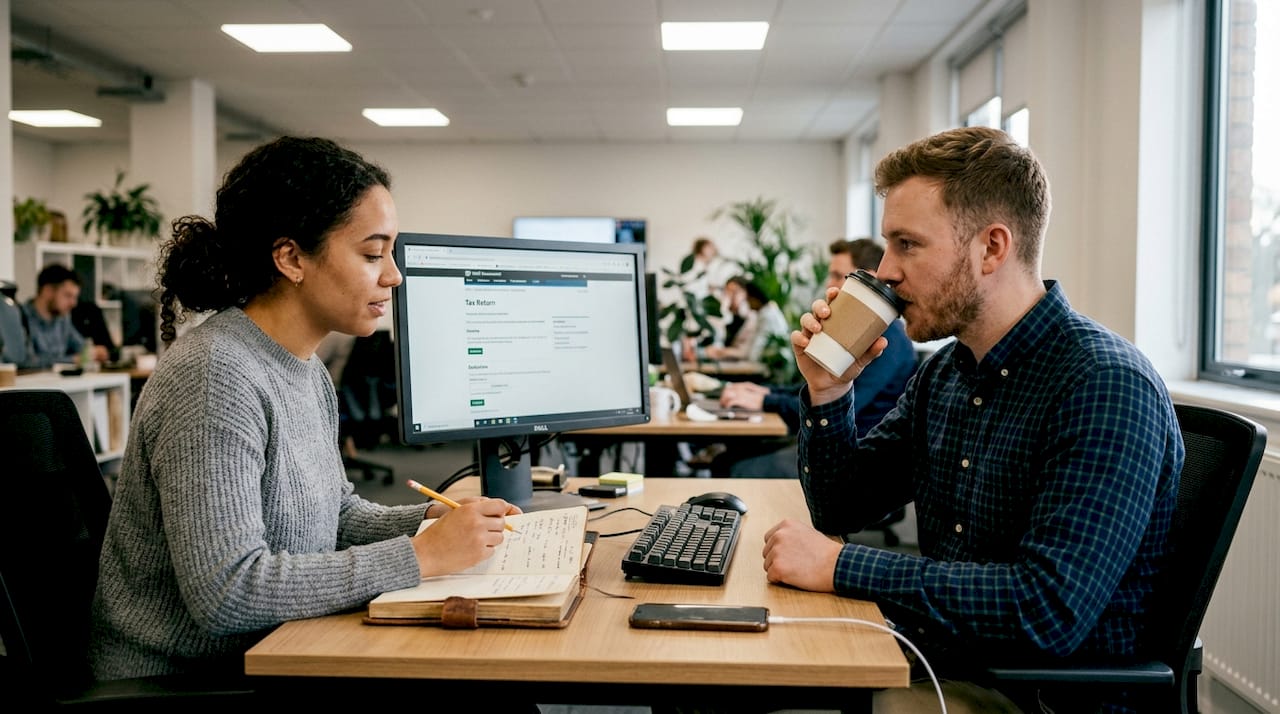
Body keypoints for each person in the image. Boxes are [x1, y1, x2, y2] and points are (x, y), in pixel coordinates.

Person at [763, 127, 1182, 713]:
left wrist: (841, 565)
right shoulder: (948, 374)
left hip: (1033, 695)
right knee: (708, 681)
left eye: (907, 245)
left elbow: (1046, 610)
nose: (884, 272)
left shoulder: (1103, 384)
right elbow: (841, 507)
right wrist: (829, 389)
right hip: (947, 656)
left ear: (991, 248)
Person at [89, 136, 522, 682]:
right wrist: (422, 557)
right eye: (372, 253)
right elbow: (227, 593)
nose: (394, 276)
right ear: (291, 257)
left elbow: (334, 515)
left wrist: (429, 520)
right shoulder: (213, 375)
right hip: (182, 684)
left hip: (273, 652)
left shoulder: (304, 368)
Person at [719, 238, 917, 440]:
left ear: (869, 279)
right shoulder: (860, 332)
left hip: (856, 452)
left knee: (735, 462)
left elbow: (839, 406)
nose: (829, 283)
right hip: (824, 443)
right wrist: (764, 392)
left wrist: (766, 401)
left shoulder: (888, 340)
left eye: (839, 276)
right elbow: (815, 388)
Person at [18, 263, 108, 368]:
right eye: (68, 296)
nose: (73, 303)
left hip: (58, 382)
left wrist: (94, 352)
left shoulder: (63, 318)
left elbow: (81, 347)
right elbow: (26, 362)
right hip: (33, 383)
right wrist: (72, 360)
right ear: (48, 291)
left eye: (75, 297)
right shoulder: (20, 318)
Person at [701, 276, 788, 364]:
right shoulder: (731, 318)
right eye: (727, 292)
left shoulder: (758, 317)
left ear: (746, 294)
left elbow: (751, 353)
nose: (730, 297)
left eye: (734, 292)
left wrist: (722, 352)